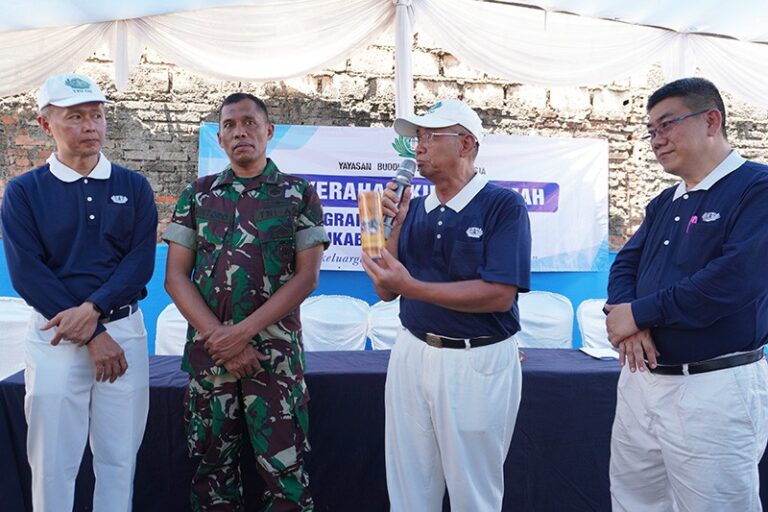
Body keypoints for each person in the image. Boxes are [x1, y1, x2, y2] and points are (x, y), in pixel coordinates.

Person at [605, 77, 768, 511]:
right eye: (651, 130)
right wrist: (630, 320)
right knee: (634, 501)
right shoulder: (665, 201)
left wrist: (640, 313)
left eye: (667, 124)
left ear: (711, 121)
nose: (656, 140)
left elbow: (734, 280)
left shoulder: (756, 188)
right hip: (642, 381)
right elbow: (625, 264)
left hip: (713, 387)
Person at [362, 99, 531, 511]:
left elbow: (499, 294)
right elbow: (387, 291)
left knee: (474, 492)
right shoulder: (415, 208)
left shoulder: (502, 205)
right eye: (418, 137)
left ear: (467, 143)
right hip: (412, 352)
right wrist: (390, 228)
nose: (419, 147)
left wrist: (413, 286)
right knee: (409, 488)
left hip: (475, 360)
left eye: (431, 136)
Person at [163, 92, 328, 511]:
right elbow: (175, 277)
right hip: (211, 359)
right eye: (230, 125)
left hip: (275, 359)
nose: (240, 132)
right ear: (219, 138)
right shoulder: (197, 195)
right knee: (211, 474)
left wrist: (241, 334)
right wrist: (221, 339)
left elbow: (306, 278)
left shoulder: (298, 194)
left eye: (249, 123)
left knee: (285, 473)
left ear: (268, 131)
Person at [0, 73, 157, 511]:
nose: (90, 126)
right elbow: (28, 274)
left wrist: (96, 313)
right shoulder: (24, 192)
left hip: (123, 334)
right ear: (45, 124)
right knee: (52, 464)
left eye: (96, 115)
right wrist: (93, 333)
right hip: (55, 337)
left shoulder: (134, 187)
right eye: (75, 117)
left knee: (119, 460)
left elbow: (139, 264)